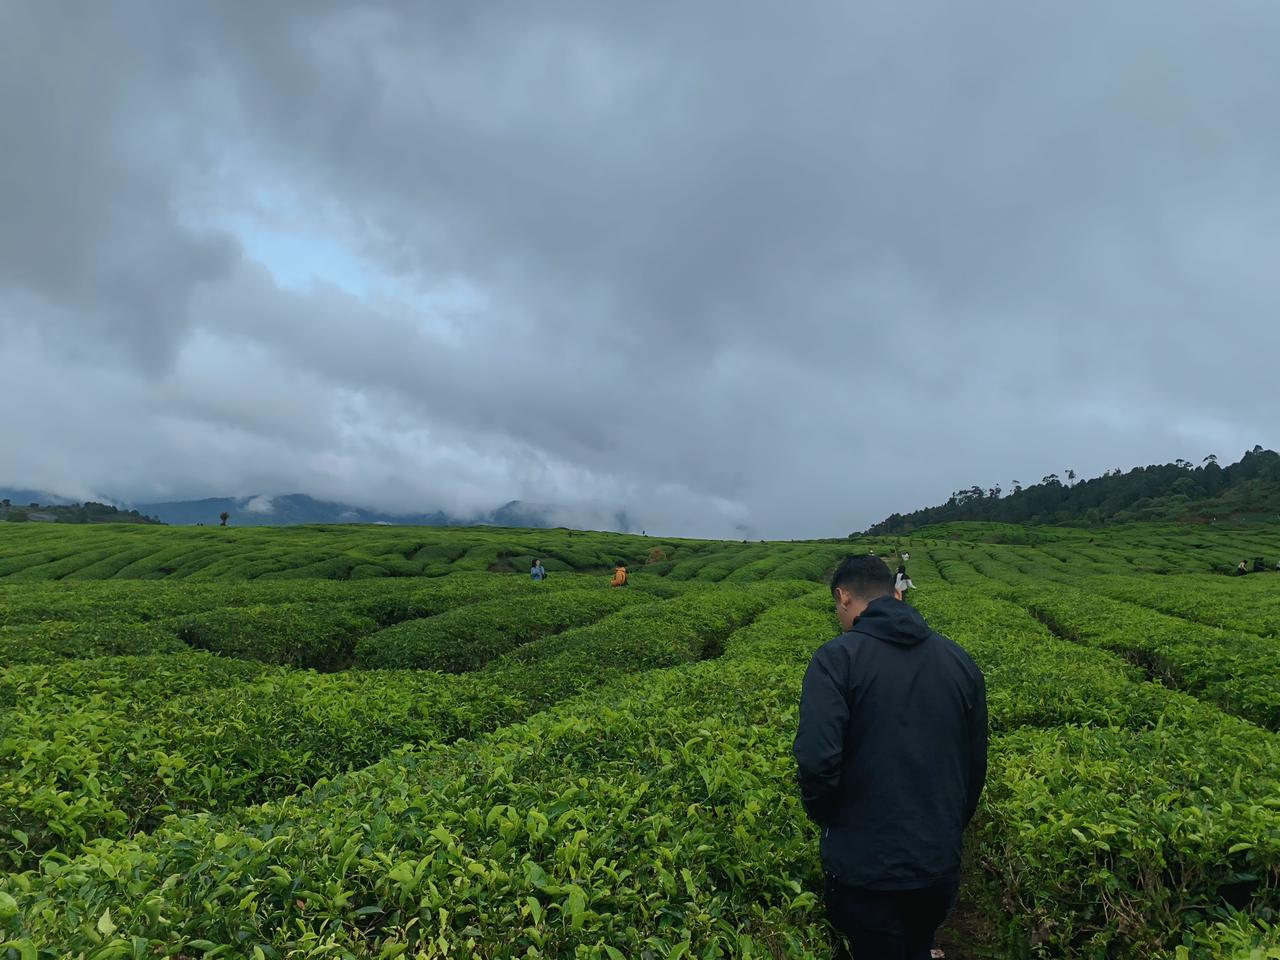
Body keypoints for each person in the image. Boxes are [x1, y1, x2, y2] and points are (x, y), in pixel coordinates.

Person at [794, 555, 988, 960]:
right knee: (918, 946)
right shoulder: (958, 660)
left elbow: (817, 761)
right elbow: (974, 766)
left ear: (843, 597)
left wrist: (831, 821)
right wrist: (947, 829)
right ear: (893, 593)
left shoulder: (836, 659)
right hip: (937, 862)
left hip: (865, 868)